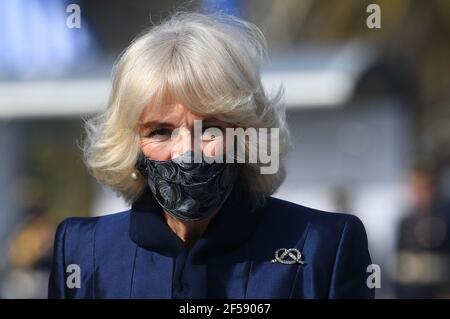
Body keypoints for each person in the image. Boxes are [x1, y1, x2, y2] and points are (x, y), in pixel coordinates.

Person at [48, 12, 373, 299]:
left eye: (210, 129)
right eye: (160, 131)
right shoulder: (84, 252)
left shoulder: (322, 246)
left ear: (247, 133)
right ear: (130, 144)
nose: (187, 151)